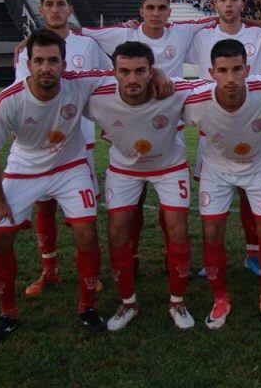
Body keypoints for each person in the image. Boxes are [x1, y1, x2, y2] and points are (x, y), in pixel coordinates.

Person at [0, 29, 112, 343]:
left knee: (86, 232)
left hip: (70, 167)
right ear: (28, 63)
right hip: (24, 170)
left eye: (53, 61)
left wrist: (158, 71)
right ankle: (8, 313)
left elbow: (120, 71)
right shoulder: (8, 99)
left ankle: (87, 307)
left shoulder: (79, 84)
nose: (46, 67)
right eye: (38, 61)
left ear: (64, 64)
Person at [81, 0, 216, 272]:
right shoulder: (124, 35)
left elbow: (220, 18)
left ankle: (172, 257)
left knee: (171, 207)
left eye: (161, 8)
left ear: (169, 11)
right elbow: (80, 31)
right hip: (130, 124)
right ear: (140, 11)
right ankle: (130, 255)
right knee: (134, 200)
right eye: (150, 8)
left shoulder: (181, 31)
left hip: (169, 125)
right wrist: (29, 39)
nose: (156, 13)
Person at [83, 41, 195, 331]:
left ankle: (177, 301)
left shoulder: (174, 90)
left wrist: (161, 74)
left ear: (151, 71)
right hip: (124, 169)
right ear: (114, 72)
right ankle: (127, 303)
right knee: (117, 229)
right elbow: (66, 79)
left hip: (169, 167)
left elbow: (217, 83)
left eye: (140, 71)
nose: (132, 79)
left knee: (177, 226)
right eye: (124, 71)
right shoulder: (97, 97)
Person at [15, 0, 113, 297]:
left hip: (78, 142)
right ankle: (50, 270)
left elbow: (107, 83)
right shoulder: (28, 51)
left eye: (60, 3)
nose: (55, 9)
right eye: (49, 4)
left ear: (69, 9)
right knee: (44, 209)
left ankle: (89, 273)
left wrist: (107, 122)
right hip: (40, 144)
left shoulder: (87, 44)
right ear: (41, 10)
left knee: (81, 214)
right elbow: (20, 95)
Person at [184, 40, 261, 329]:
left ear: (247, 70)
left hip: (260, 166)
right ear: (211, 72)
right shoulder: (194, 98)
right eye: (223, 70)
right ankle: (220, 297)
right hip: (216, 168)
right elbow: (165, 89)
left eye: (237, 69)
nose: (230, 78)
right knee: (212, 230)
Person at [186, 0, 261, 277]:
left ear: (243, 3)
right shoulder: (200, 37)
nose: (229, 4)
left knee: (249, 194)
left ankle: (253, 255)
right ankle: (212, 261)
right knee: (213, 199)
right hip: (213, 128)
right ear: (215, 4)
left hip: (250, 127)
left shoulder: (258, 35)